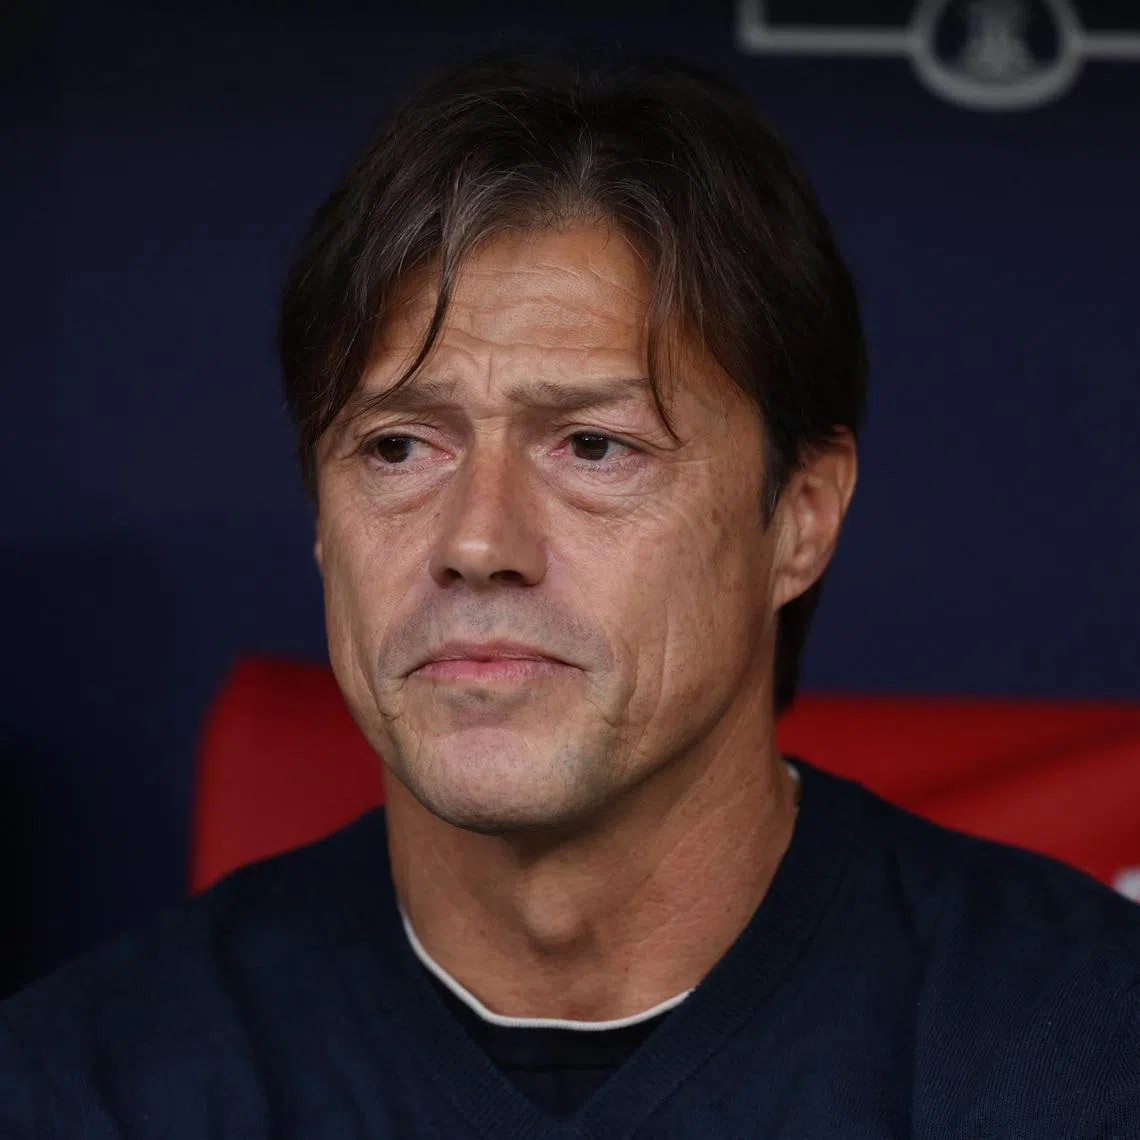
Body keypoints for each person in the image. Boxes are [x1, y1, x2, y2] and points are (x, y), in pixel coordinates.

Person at [2, 51, 1138, 1139]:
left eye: (593, 446)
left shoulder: (1083, 1053)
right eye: (399, 448)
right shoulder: (85, 1084)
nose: (478, 540)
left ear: (799, 515)